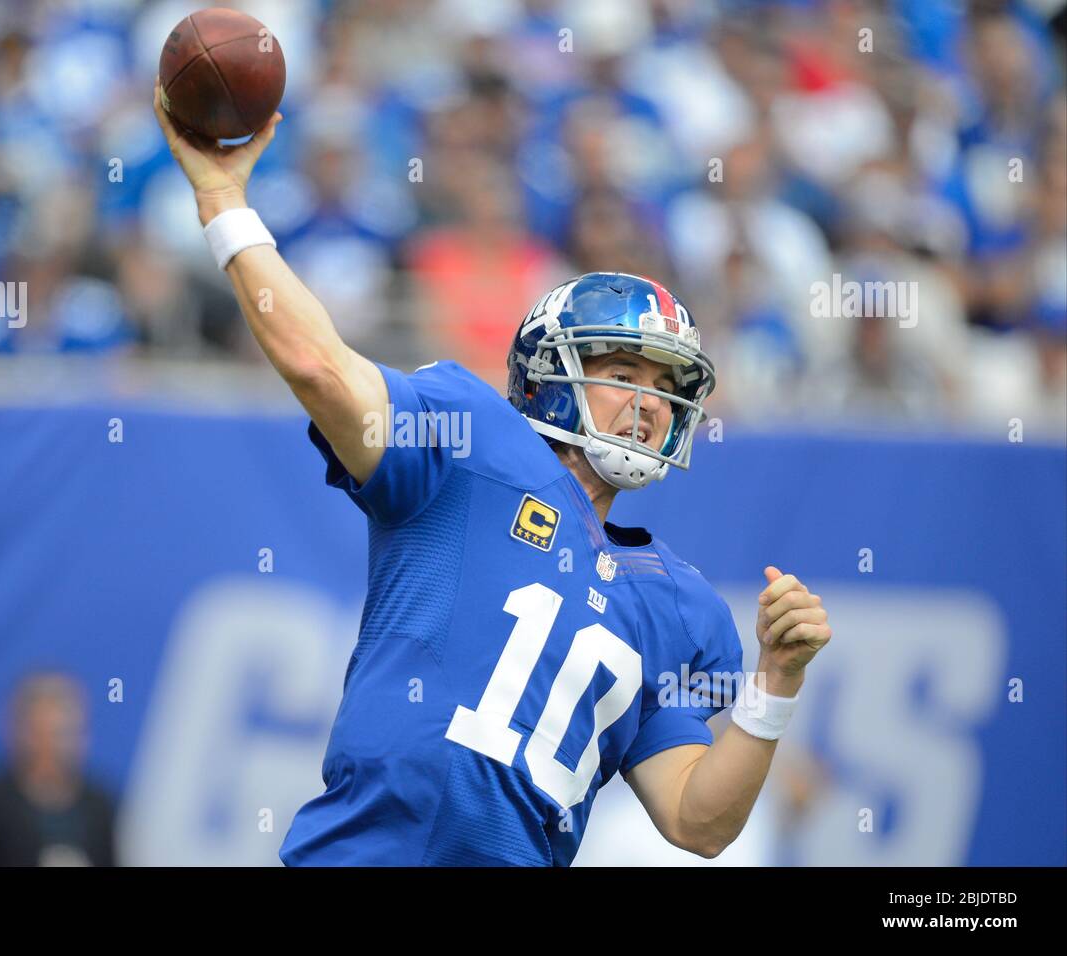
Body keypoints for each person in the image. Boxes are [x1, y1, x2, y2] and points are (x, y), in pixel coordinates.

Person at [152, 81, 832, 866]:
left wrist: (776, 683)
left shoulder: (682, 609)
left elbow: (696, 821)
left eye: (665, 388)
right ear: (552, 373)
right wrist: (224, 203)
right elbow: (318, 365)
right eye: (623, 372)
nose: (648, 404)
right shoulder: (469, 440)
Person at [0, 673, 116, 867]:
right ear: (17, 731)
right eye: (43, 733)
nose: (55, 746)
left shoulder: (101, 805)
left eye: (64, 732)